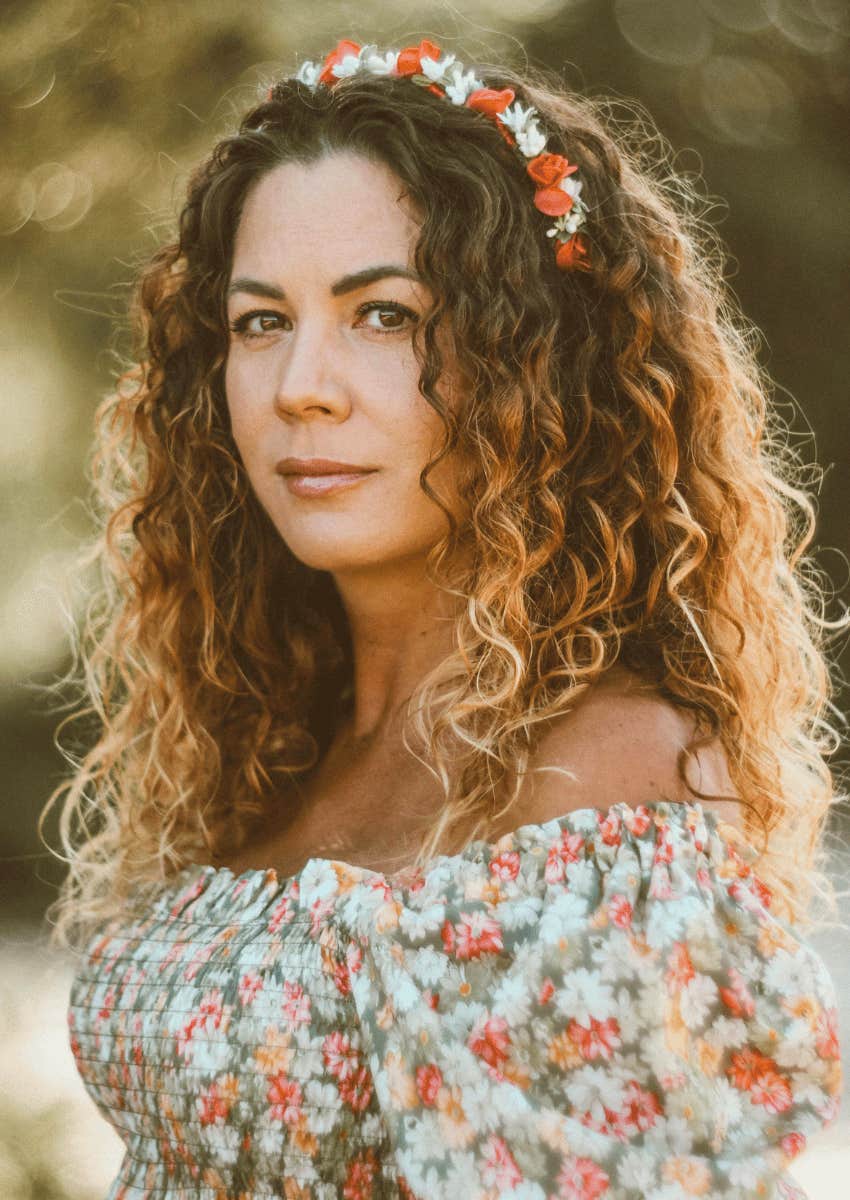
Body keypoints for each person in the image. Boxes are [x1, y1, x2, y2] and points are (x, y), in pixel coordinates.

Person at [43, 36, 843, 1200]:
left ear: (539, 362)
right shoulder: (257, 751)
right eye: (259, 322)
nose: (301, 384)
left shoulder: (613, 786)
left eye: (385, 314)